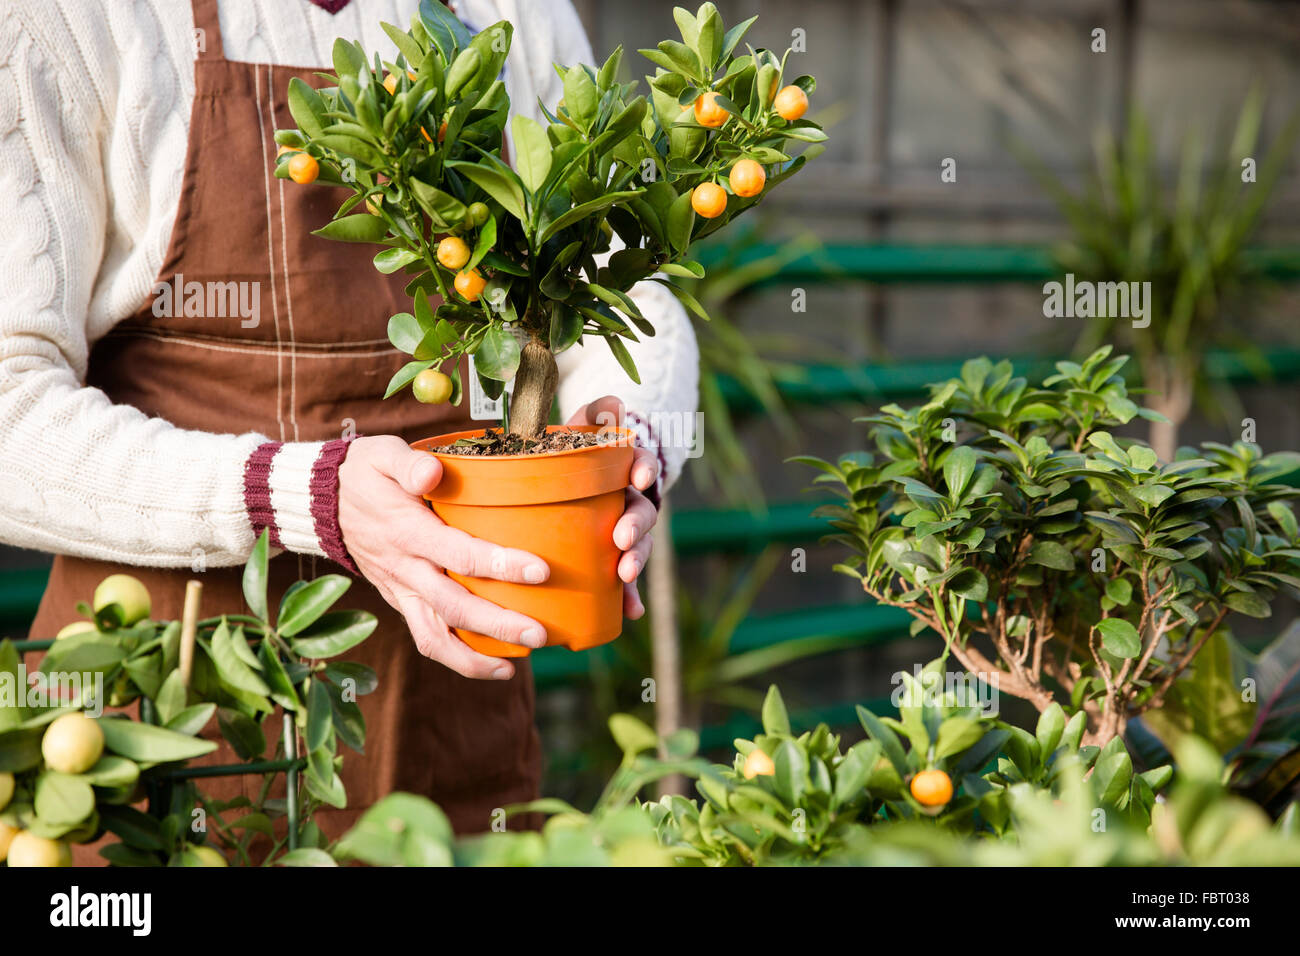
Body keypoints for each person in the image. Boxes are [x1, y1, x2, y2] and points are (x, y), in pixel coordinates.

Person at [0, 0, 698, 841]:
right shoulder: (72, 18)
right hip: (164, 723)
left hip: (454, 731)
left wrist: (627, 444)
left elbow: (627, 287)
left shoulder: (516, 13)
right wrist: (298, 494)